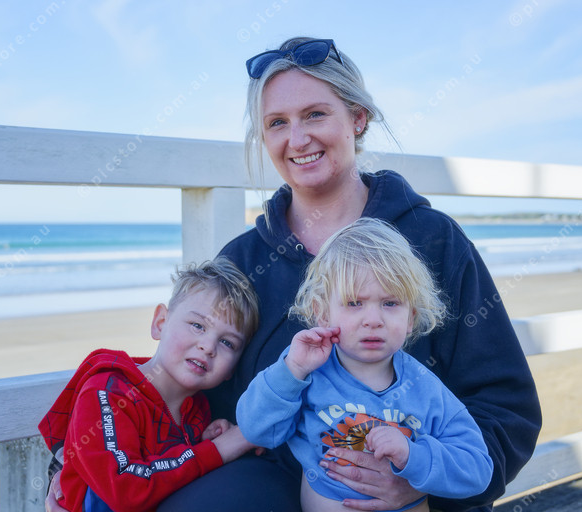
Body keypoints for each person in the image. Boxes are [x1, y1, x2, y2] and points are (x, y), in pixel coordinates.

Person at [47, 36, 541, 512]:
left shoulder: (432, 240)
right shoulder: (244, 260)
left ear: (358, 118)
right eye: (277, 123)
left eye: (315, 114)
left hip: (414, 489)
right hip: (272, 476)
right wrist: (76, 462)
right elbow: (181, 375)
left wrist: (418, 485)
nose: (297, 139)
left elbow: (506, 406)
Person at [236, 218, 494, 511]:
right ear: (323, 314)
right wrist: (291, 371)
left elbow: (477, 470)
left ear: (411, 318)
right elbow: (257, 431)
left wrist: (413, 456)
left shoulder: (425, 389)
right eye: (354, 303)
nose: (373, 320)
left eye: (390, 303)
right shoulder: (307, 372)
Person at [39, 257, 260, 512]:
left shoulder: (198, 411)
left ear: (234, 368)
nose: (208, 346)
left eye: (227, 342)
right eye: (198, 325)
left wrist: (203, 443)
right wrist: (221, 447)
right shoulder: (108, 392)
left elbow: (172, 476)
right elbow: (125, 489)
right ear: (160, 323)